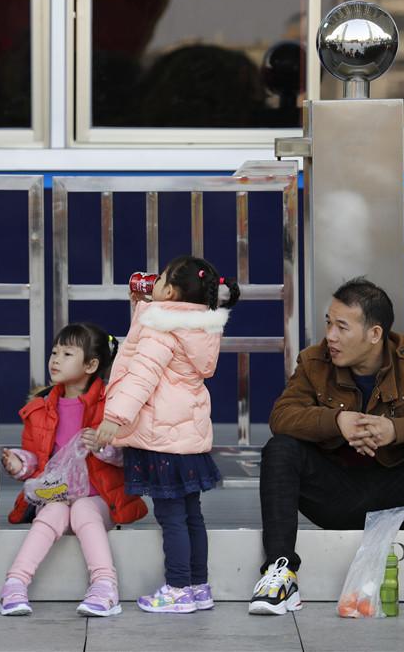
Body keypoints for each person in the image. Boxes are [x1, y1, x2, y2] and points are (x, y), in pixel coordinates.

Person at [250, 277, 404, 615]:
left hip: (399, 494)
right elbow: (282, 416)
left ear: (374, 334)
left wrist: (396, 430)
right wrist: (337, 422)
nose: (331, 336)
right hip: (335, 494)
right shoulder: (314, 362)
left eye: (342, 327)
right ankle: (280, 572)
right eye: (329, 323)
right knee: (280, 449)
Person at [93, 255, 241, 613]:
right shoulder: (199, 327)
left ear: (171, 292)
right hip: (186, 437)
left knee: (171, 517)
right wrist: (142, 310)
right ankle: (198, 586)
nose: (152, 282)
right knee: (192, 515)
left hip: (161, 439)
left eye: (159, 280)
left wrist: (114, 417)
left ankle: (177, 589)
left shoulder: (161, 328)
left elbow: (141, 374)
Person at [0, 323, 147, 617]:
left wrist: (103, 447)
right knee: (52, 511)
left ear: (91, 365)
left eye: (67, 354)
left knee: (82, 509)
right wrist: (20, 463)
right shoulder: (39, 408)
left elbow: (132, 458)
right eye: (54, 352)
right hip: (56, 494)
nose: (55, 360)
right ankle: (15, 583)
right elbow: (37, 459)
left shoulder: (111, 407)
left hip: (100, 497)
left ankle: (104, 585)